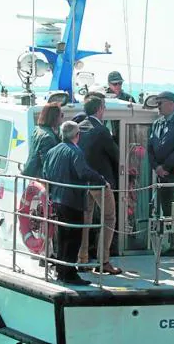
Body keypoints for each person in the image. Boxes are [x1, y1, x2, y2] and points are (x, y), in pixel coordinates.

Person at [43, 121, 107, 286]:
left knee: (63, 236)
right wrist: (101, 179)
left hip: (57, 199)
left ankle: (61, 270)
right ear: (76, 136)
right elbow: (83, 172)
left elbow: (45, 173)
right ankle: (69, 273)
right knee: (74, 238)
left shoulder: (52, 151)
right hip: (72, 200)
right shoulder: (75, 151)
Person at [76, 96, 122, 275]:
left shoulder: (79, 128)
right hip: (100, 183)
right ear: (100, 109)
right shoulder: (101, 131)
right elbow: (116, 154)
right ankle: (103, 261)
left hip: (81, 184)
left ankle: (82, 259)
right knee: (109, 219)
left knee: (85, 221)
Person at [147, 91, 174, 256]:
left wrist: (165, 166)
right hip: (161, 175)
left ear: (172, 104)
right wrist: (156, 167)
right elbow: (150, 147)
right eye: (157, 102)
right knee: (164, 210)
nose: (158, 106)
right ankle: (168, 242)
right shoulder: (157, 123)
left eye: (161, 102)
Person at [22, 103, 63, 179]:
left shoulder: (38, 130)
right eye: (61, 115)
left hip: (33, 173)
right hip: (40, 178)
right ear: (54, 117)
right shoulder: (48, 138)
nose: (62, 118)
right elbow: (47, 163)